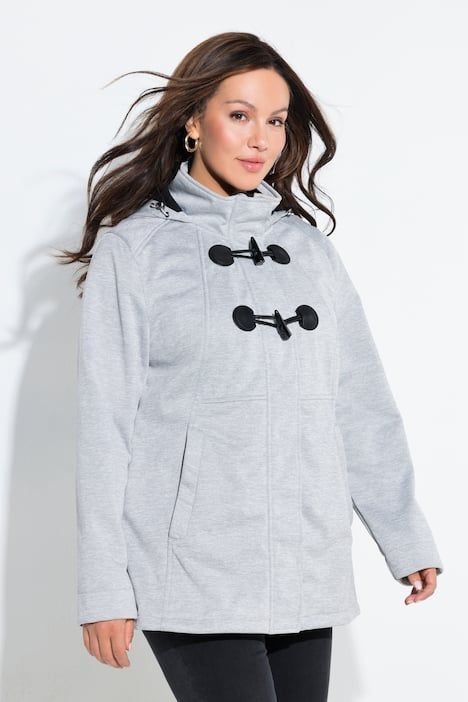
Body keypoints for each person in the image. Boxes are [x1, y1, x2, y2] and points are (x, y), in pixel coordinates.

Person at [58, 32, 444, 702]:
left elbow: (360, 403)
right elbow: (105, 427)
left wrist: (404, 535)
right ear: (192, 120)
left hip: (305, 559)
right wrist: (103, 588)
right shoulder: (137, 249)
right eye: (239, 115)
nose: (260, 139)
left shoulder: (307, 248)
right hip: (190, 566)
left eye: (276, 120)